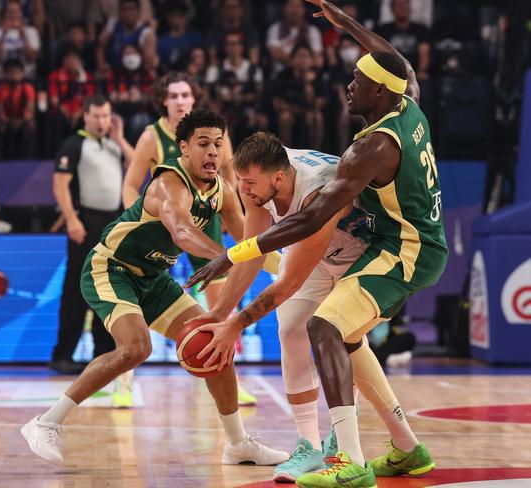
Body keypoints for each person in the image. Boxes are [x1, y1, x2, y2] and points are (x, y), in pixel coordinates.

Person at [186, 1, 447, 486]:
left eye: (358, 80)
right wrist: (344, 22)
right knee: (333, 336)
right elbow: (398, 63)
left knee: (324, 327)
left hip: (395, 251)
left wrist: (231, 266)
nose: (349, 85)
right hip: (394, 243)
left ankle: (349, 461)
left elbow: (306, 228)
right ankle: (400, 447)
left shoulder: (371, 148)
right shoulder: (406, 100)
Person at [21, 108, 289, 468]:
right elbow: (181, 231)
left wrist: (288, 265)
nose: (212, 152)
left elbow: (249, 242)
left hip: (154, 279)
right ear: (184, 148)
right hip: (111, 268)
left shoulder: (222, 191)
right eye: (203, 144)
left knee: (214, 343)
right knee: (135, 347)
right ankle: (45, 422)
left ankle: (238, 443)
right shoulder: (168, 183)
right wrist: (223, 256)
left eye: (219, 145)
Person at [185, 132, 368, 482]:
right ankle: (309, 446)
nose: (245, 190)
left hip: (358, 254)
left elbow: (288, 285)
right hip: (312, 253)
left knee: (347, 340)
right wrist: (218, 314)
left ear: (279, 178)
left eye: (250, 184)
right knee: (289, 330)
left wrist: (235, 326)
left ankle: (344, 437)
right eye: (240, 182)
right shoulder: (254, 181)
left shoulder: (316, 189)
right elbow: (252, 252)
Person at [122, 72, 273, 406]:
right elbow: (131, 184)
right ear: (164, 101)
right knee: (134, 300)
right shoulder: (151, 136)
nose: (179, 101)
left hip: (206, 221)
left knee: (221, 303)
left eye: (185, 95)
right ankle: (125, 381)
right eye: (173, 96)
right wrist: (138, 216)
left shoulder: (216, 135)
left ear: (193, 99)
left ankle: (226, 371)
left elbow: (230, 176)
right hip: (166, 225)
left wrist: (246, 216)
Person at [49, 94, 134, 377]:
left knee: (108, 287)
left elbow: (138, 167)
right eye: (96, 116)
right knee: (76, 289)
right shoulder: (74, 144)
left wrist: (120, 138)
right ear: (85, 115)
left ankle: (104, 353)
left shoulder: (112, 146)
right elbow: (60, 184)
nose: (101, 121)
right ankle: (63, 354)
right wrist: (71, 219)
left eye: (106, 116)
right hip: (85, 222)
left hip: (112, 222)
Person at [0, 0, 41, 79]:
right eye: (10, 12)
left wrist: (23, 36)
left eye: (16, 11)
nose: (13, 14)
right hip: (2, 78)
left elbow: (32, 58)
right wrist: (3, 35)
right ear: (5, 14)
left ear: (21, 13)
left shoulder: (31, 31)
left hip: (26, 77)